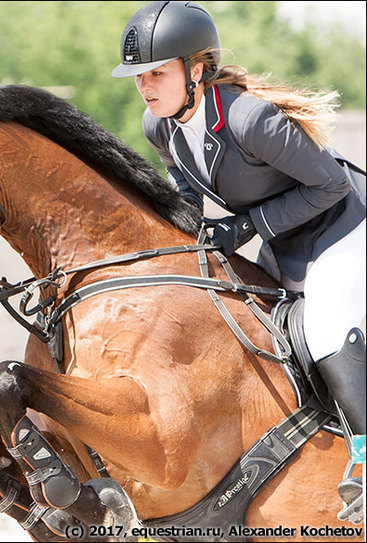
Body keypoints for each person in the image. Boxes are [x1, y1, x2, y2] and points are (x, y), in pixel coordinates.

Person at [111, 0, 365, 522]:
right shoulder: (159, 125)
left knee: (324, 327)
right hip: (288, 239)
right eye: (140, 77)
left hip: (343, 226)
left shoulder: (251, 118)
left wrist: (247, 226)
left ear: (196, 70)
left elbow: (330, 184)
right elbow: (186, 192)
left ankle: (364, 461)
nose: (145, 86)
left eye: (157, 72)